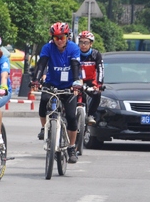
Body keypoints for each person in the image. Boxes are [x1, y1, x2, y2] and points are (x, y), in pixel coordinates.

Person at [31, 22, 82, 164]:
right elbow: (42, 64)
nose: (59, 40)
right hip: (52, 83)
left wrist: (77, 82)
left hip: (69, 86)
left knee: (71, 117)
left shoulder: (73, 48)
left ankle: (72, 147)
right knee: (43, 103)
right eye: (56, 38)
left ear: (67, 36)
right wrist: (36, 80)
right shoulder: (48, 48)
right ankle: (44, 128)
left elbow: (75, 66)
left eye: (62, 37)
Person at [78, 30, 104, 126]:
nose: (83, 45)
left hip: (90, 81)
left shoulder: (96, 54)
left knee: (97, 95)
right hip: (76, 81)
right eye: (81, 42)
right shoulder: (75, 53)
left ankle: (90, 115)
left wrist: (99, 84)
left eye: (86, 42)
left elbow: (101, 70)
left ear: (91, 44)